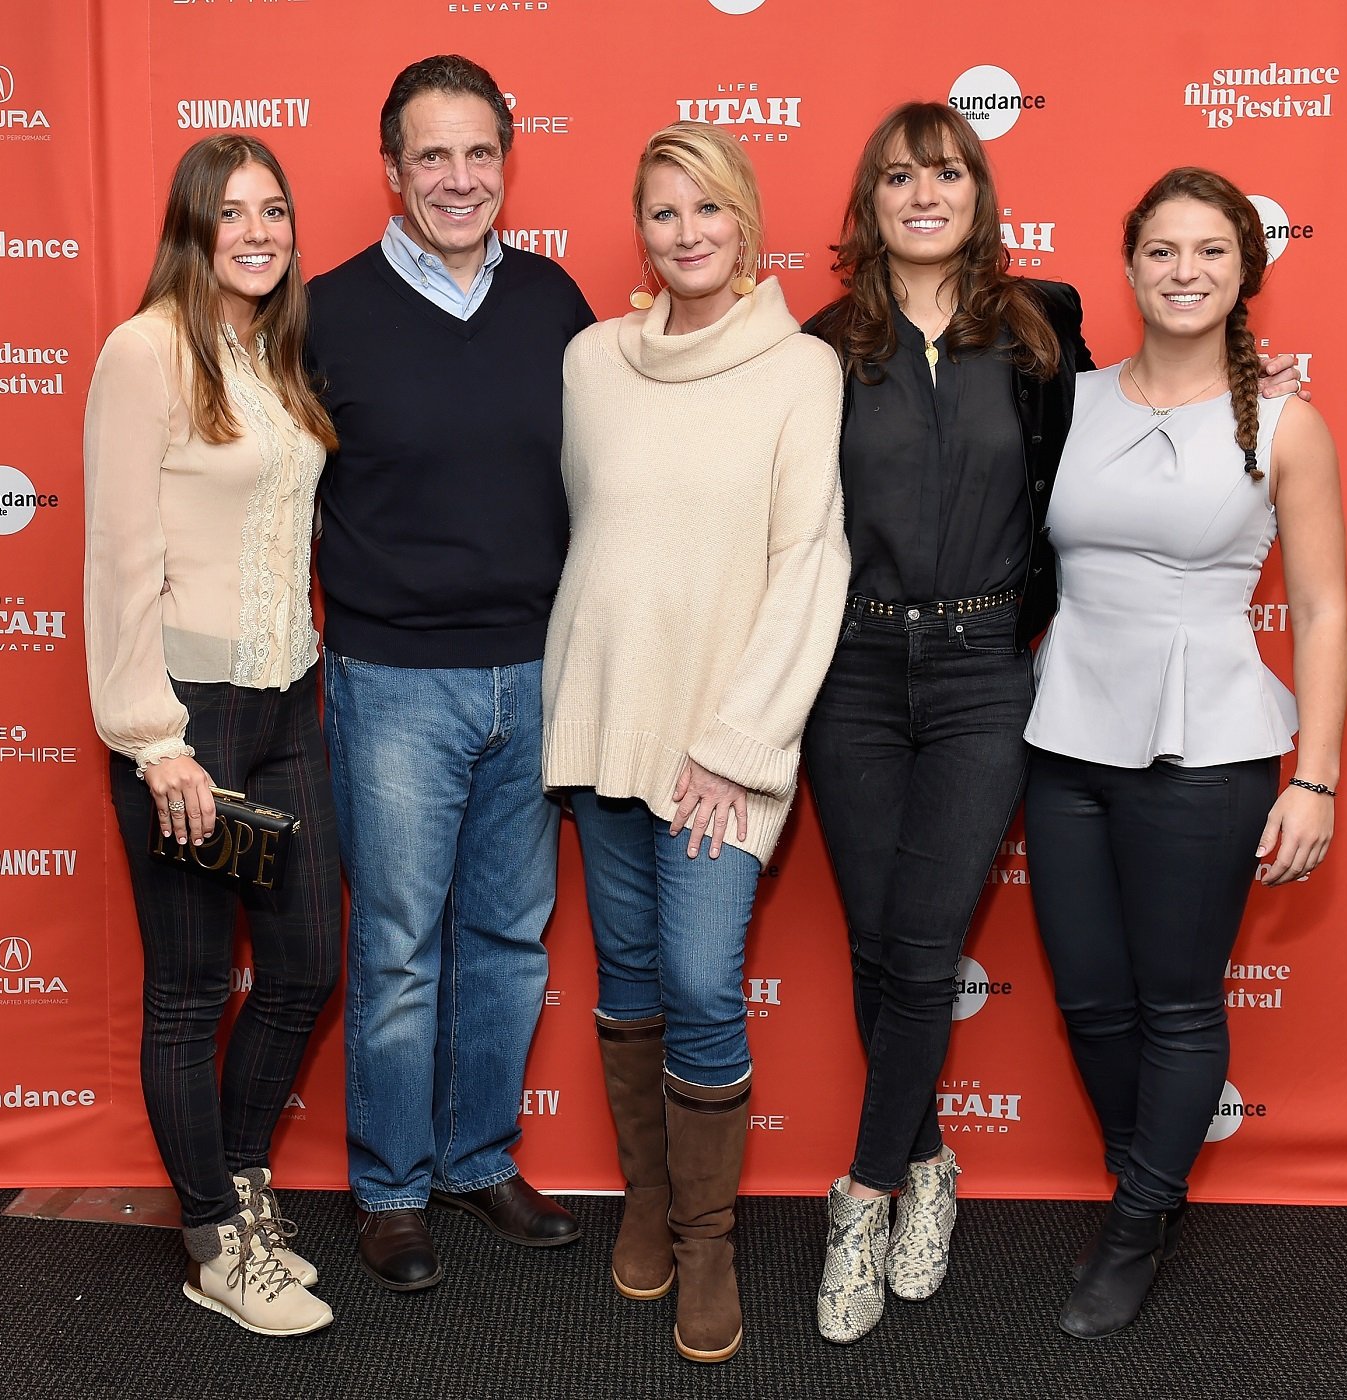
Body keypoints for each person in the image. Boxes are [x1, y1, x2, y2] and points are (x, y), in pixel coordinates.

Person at [801, 104, 1305, 1344]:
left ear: (981, 191)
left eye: (950, 172)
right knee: (877, 945)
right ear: (869, 200)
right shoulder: (812, 347)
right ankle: (924, 1162)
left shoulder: (1043, 325)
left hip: (986, 670)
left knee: (922, 951)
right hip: (850, 670)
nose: (926, 194)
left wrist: (1258, 393)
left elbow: (1153, 415)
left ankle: (860, 1197)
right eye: (902, 176)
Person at [1023, 166, 1347, 1338]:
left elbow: (1320, 609)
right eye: (1161, 250)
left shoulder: (1286, 419)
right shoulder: (1071, 398)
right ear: (1126, 266)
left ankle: (1137, 1217)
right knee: (1092, 998)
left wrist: (1313, 774)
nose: (1184, 271)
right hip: (1065, 733)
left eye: (1211, 250)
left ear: (1243, 271)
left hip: (1209, 745)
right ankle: (1143, 1178)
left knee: (1174, 999)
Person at [543, 122, 849, 1364]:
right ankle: (650, 1204)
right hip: (602, 721)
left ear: (746, 220)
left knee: (703, 981)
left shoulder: (798, 368)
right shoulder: (588, 363)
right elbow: (592, 540)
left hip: (723, 744)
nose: (686, 234)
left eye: (707, 211)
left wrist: (735, 741)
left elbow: (807, 563)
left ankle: (709, 1238)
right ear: (641, 228)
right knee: (627, 980)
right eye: (663, 214)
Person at [304, 54, 595, 1293]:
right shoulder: (323, 311)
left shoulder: (555, 301)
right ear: (391, 168)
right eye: (433, 155)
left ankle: (479, 1156)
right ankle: (391, 1185)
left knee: (509, 939)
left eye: (479, 152)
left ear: (506, 159)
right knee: (399, 948)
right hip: (393, 683)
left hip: (534, 674)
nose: (459, 178)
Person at [83, 133, 340, 1336]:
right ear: (191, 227)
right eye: (230, 211)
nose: (257, 230)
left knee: (301, 969)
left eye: (274, 210)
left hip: (288, 699)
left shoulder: (271, 351)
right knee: (192, 990)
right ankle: (209, 1238)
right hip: (190, 720)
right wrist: (154, 737)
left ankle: (241, 1184)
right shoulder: (145, 352)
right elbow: (122, 557)